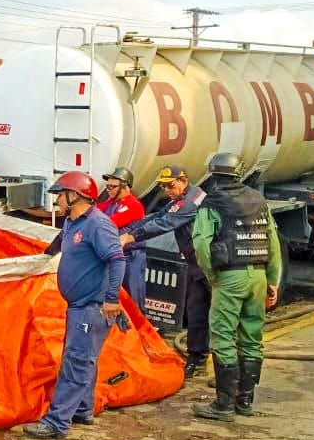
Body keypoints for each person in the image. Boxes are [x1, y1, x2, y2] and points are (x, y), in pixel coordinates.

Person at [23, 171, 125, 440]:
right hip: (79, 306)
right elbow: (59, 243)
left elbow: (117, 260)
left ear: (75, 196)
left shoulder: (98, 225)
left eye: (60, 196)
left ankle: (56, 422)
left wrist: (112, 299)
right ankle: (82, 408)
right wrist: (36, 258)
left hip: (92, 307)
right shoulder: (72, 222)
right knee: (84, 360)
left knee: (76, 362)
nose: (57, 201)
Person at [190, 153, 281, 421]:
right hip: (259, 276)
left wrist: (211, 275)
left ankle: (224, 405)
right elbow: (273, 243)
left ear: (214, 174)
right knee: (252, 338)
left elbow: (201, 245)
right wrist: (272, 281)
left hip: (230, 275)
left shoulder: (212, 202)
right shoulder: (258, 200)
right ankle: (245, 401)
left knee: (222, 337)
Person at [120, 165, 211, 377]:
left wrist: (132, 237)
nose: (167, 190)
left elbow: (165, 223)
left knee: (219, 314)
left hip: (210, 265)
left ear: (183, 180)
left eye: (170, 185)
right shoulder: (178, 200)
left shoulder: (193, 200)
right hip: (196, 264)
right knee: (196, 311)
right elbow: (156, 217)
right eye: (163, 187)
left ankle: (227, 365)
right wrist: (127, 229)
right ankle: (197, 359)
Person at [97, 168, 147, 309]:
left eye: (112, 187)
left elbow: (108, 223)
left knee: (132, 299)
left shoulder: (134, 205)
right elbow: (93, 213)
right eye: (107, 186)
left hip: (131, 257)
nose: (108, 190)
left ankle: (140, 329)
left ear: (125, 187)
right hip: (115, 256)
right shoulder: (111, 203)